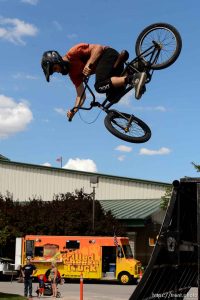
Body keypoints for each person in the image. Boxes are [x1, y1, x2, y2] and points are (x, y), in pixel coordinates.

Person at [41, 43, 147, 120]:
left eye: (55, 69)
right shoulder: (73, 75)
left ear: (56, 60)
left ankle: (133, 79)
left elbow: (98, 48)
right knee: (112, 97)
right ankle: (131, 70)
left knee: (99, 86)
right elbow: (80, 95)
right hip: (110, 70)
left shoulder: (73, 52)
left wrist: (89, 64)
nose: (58, 72)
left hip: (107, 55)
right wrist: (74, 109)